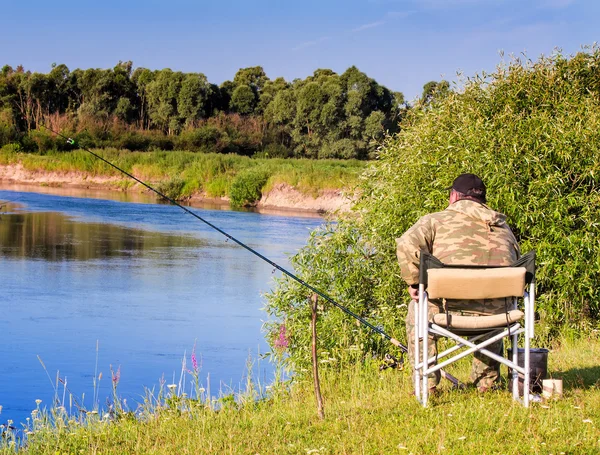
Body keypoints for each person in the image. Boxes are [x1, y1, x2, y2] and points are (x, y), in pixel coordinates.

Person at [395, 173, 520, 393]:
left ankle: (427, 385)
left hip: (447, 313)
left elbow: (406, 245)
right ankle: (486, 383)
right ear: (482, 200)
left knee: (417, 308)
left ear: (454, 196)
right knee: (493, 300)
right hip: (498, 318)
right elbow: (518, 261)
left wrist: (414, 283)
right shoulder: (502, 226)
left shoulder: (434, 221)